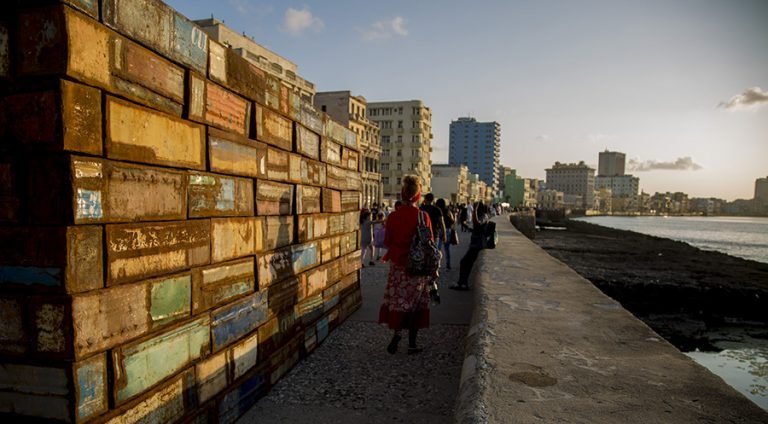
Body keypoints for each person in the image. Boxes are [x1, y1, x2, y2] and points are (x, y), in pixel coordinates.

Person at [379, 175, 434, 354]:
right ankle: (412, 344)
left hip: (398, 266)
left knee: (398, 302)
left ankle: (397, 334)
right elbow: (430, 242)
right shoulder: (423, 217)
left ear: (402, 194)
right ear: (418, 196)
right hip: (417, 268)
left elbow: (387, 241)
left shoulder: (393, 217)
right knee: (416, 304)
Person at [450, 201, 489, 291]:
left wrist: (474, 210)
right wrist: (466, 226)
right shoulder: (482, 216)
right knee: (466, 263)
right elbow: (476, 228)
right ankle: (462, 283)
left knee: (464, 262)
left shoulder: (484, 216)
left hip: (477, 245)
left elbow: (477, 223)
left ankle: (463, 284)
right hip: (474, 244)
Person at [435, 198, 455, 269]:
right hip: (448, 230)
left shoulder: (436, 210)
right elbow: (453, 221)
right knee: (447, 249)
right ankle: (448, 264)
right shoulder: (448, 211)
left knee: (438, 249)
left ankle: (437, 264)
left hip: (439, 230)